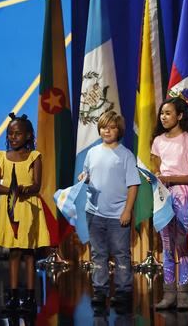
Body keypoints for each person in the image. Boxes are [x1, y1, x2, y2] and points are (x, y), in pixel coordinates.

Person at [78, 111, 141, 308]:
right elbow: (88, 174)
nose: (107, 130)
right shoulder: (92, 153)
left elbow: (133, 185)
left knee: (121, 253)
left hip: (117, 215)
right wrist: (84, 177)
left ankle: (123, 291)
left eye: (112, 127)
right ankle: (99, 290)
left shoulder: (126, 155)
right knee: (98, 253)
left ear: (119, 131)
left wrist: (127, 211)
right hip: (94, 213)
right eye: (104, 127)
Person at [0, 113, 49, 313]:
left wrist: (24, 189)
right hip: (9, 207)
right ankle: (13, 295)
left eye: (17, 134)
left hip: (27, 208)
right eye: (10, 134)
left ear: (27, 136)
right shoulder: (2, 157)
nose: (13, 137)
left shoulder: (34, 157)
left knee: (29, 252)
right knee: (14, 252)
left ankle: (31, 297)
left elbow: (36, 185)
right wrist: (12, 191)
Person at [151, 97, 188, 310]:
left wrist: (171, 179)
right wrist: (155, 178)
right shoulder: (157, 141)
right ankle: (169, 294)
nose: (164, 117)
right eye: (162, 113)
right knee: (166, 245)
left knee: (181, 243)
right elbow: (157, 171)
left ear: (180, 116)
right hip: (163, 195)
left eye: (168, 113)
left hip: (181, 194)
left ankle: (183, 294)